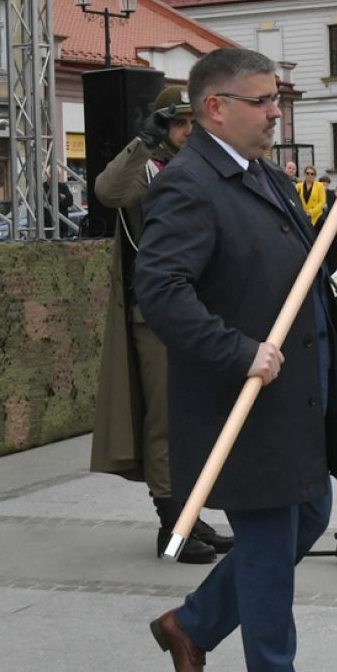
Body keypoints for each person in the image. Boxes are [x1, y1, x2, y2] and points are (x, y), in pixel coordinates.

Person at [133, 48, 337, 672]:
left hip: (292, 396)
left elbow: (306, 271)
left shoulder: (262, 174)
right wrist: (239, 352)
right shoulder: (189, 185)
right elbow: (162, 291)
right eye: (264, 101)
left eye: (277, 99)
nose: (277, 112)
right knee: (268, 548)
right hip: (240, 399)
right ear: (216, 107)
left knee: (311, 515)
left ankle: (194, 624)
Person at [92, 86, 232, 564]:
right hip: (157, 316)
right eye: (178, 123)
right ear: (161, 127)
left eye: (195, 122)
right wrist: (143, 143)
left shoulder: (203, 169)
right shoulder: (147, 173)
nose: (189, 132)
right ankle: (171, 524)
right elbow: (108, 192)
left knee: (199, 420)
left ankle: (192, 515)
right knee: (166, 422)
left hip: (205, 313)